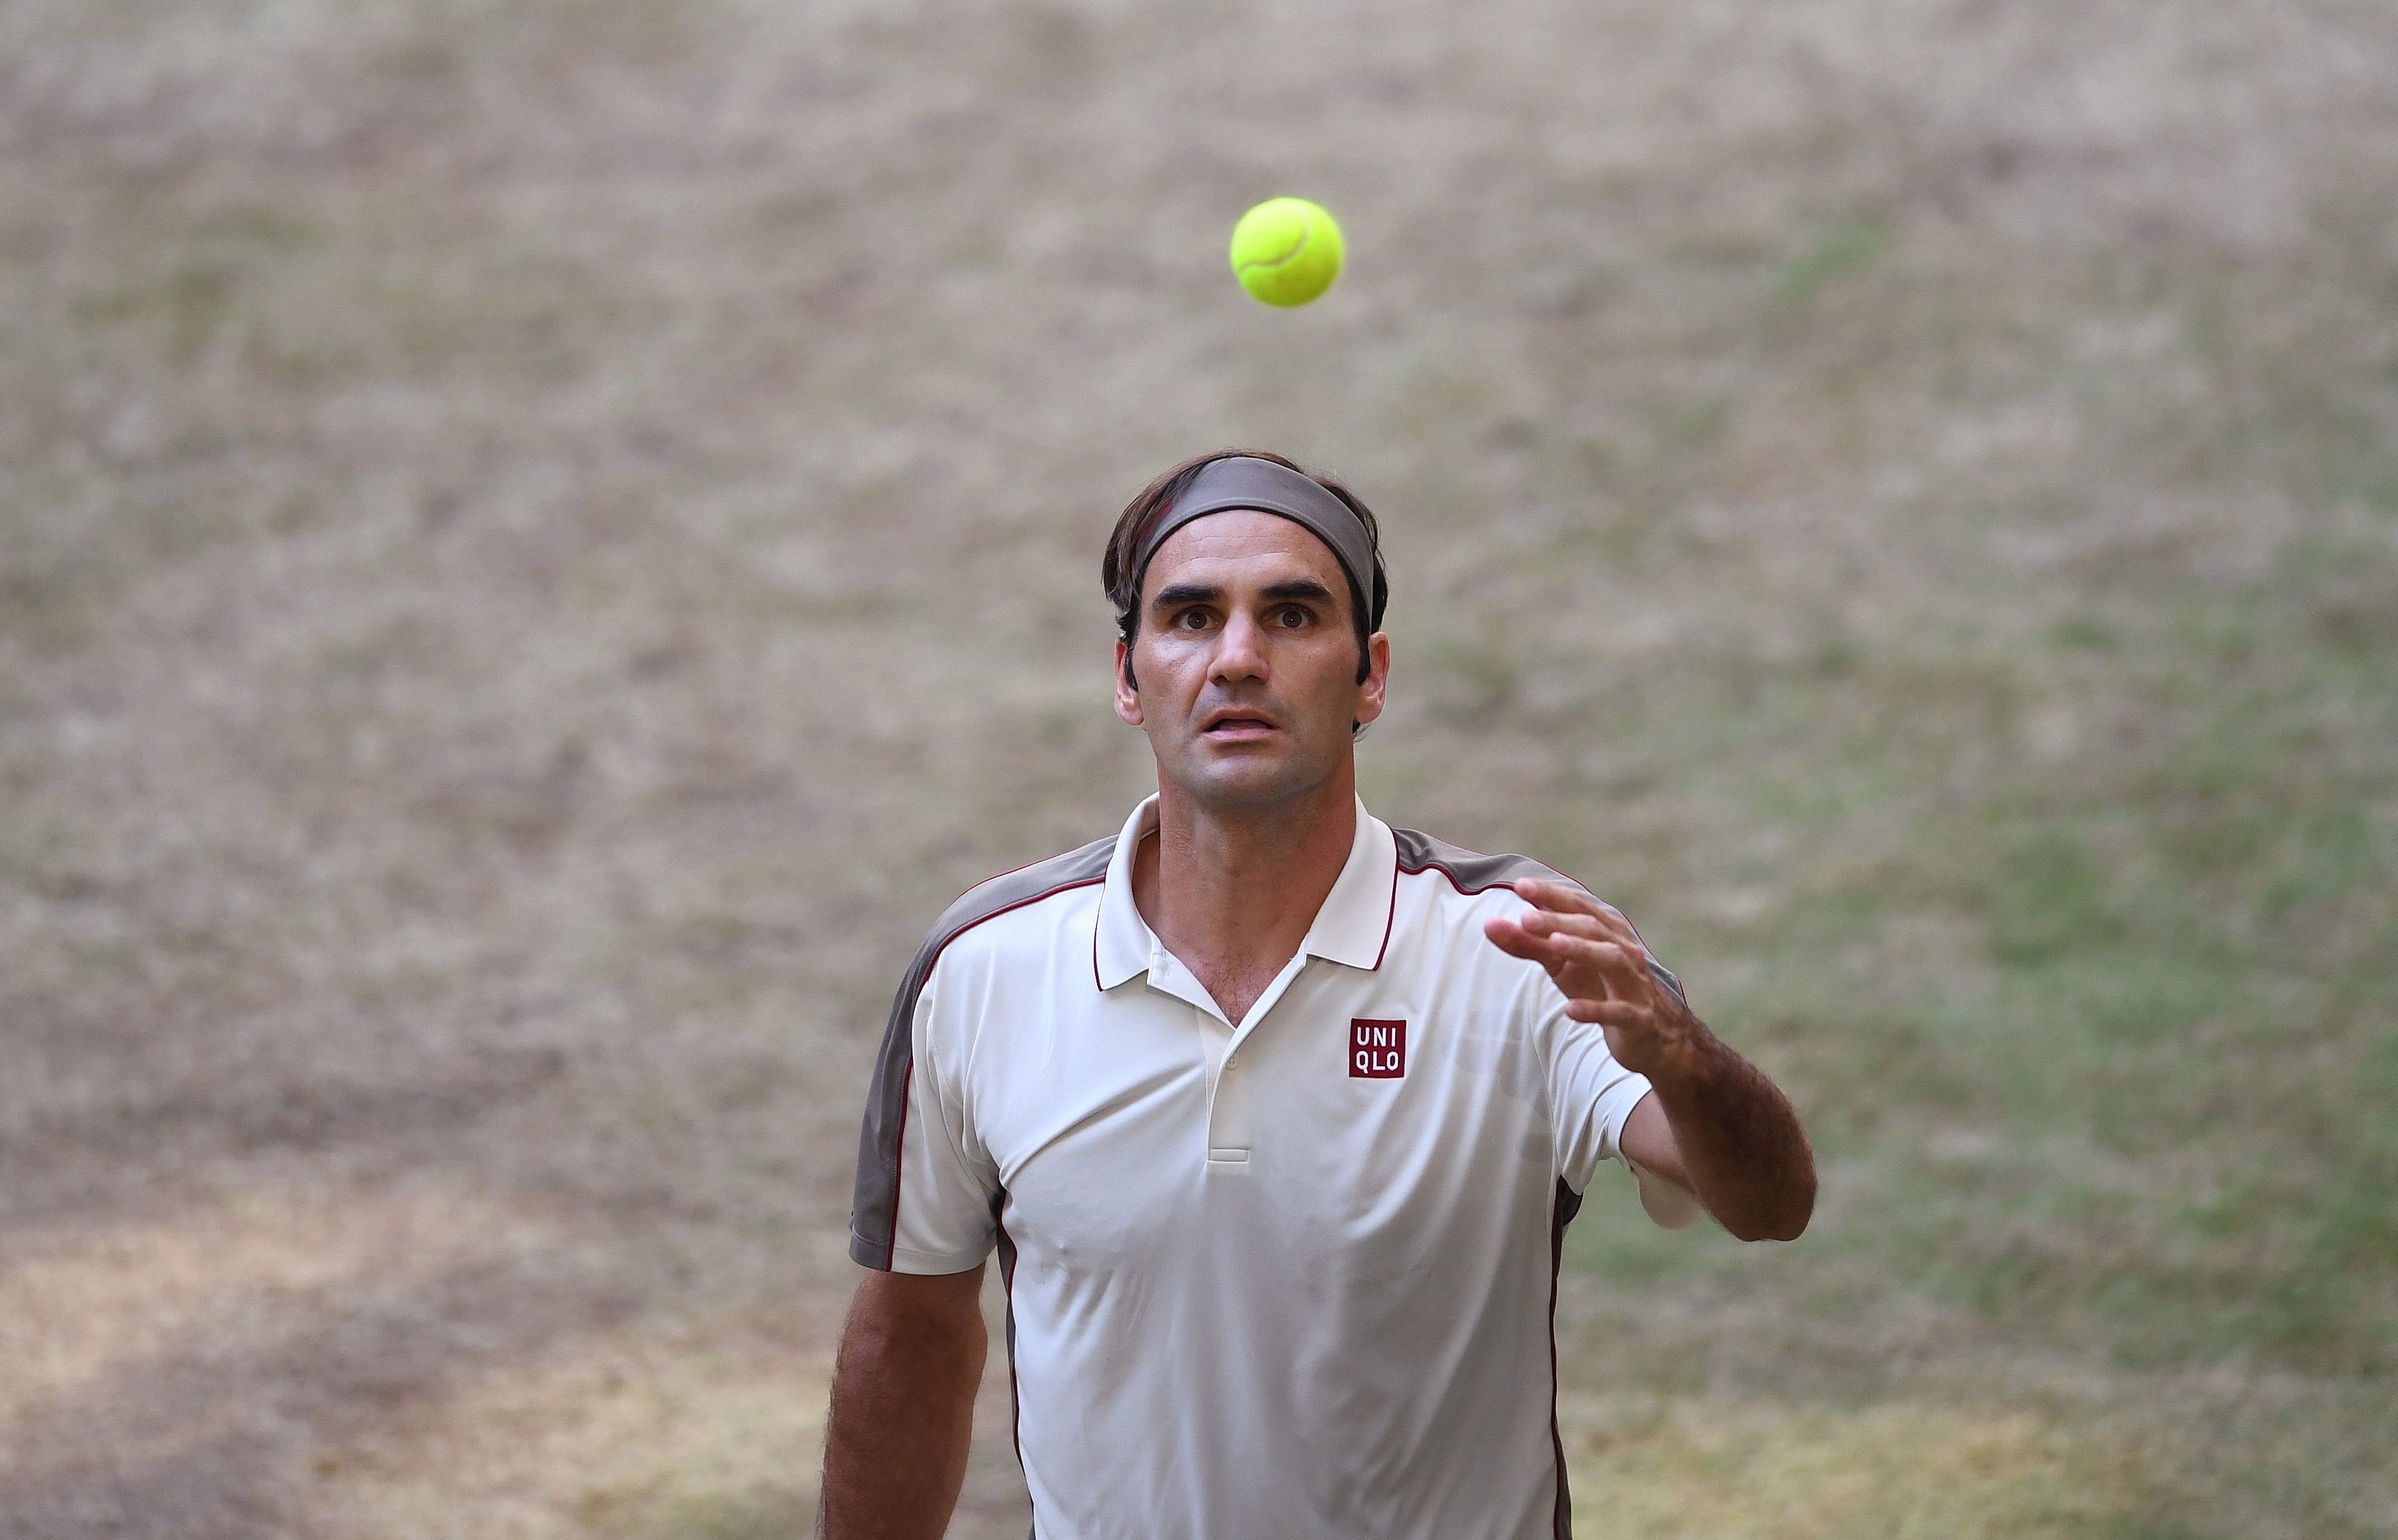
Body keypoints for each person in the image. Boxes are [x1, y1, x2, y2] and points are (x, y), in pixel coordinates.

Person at [822, 451, 1815, 1540]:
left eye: (1291, 616)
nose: (1238, 658)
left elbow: (1769, 1204)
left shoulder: (1518, 946)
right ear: (1127, 674)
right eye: (1191, 618)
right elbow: (912, 1335)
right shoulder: (983, 972)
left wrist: (1679, 1052)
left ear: (1370, 675)